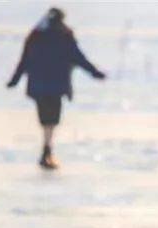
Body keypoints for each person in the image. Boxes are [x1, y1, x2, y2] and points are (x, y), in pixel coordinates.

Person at [6, 7, 106, 170]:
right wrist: (95, 73)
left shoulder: (36, 36)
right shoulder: (63, 35)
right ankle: (47, 150)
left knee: (46, 119)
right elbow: (78, 57)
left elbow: (24, 61)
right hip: (55, 86)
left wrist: (14, 81)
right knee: (51, 120)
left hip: (40, 86)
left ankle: (46, 150)